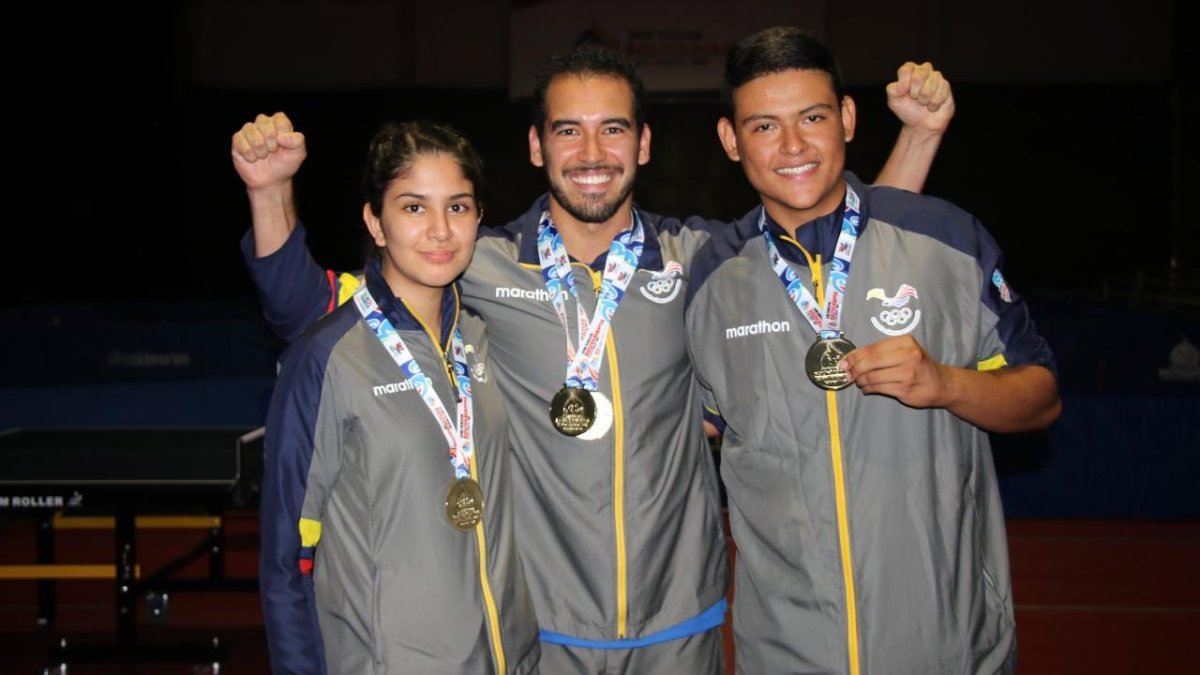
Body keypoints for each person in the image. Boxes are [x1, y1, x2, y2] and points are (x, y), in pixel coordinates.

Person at [233, 45, 952, 674]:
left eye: (612, 128)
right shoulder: (474, 266)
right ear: (538, 147)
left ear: (643, 144)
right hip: (539, 631)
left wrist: (918, 139)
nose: (591, 151)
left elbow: (843, 240)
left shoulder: (696, 260)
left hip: (679, 626)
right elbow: (316, 313)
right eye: (567, 130)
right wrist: (269, 194)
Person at [685, 27, 1061, 674]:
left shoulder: (943, 237)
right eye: (764, 127)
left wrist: (946, 382)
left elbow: (1041, 396)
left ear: (849, 119)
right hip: (784, 652)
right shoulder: (712, 279)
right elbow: (704, 423)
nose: (793, 146)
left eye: (812, 118)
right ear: (730, 140)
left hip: (947, 644)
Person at [250, 120, 540, 674]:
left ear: (479, 218)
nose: (439, 230)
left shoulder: (483, 335)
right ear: (375, 223)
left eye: (458, 207)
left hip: (509, 657)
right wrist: (268, 192)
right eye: (413, 207)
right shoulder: (330, 356)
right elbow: (288, 557)